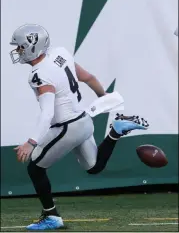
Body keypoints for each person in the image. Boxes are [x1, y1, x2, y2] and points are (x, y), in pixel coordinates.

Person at [10, 24, 149, 231]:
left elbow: (47, 113)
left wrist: (31, 142)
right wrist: (104, 97)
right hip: (83, 121)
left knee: (35, 168)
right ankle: (115, 131)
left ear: (33, 46)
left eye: (21, 47)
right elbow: (88, 78)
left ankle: (52, 216)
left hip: (67, 128)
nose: (18, 51)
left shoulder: (39, 74)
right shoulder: (60, 54)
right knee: (94, 167)